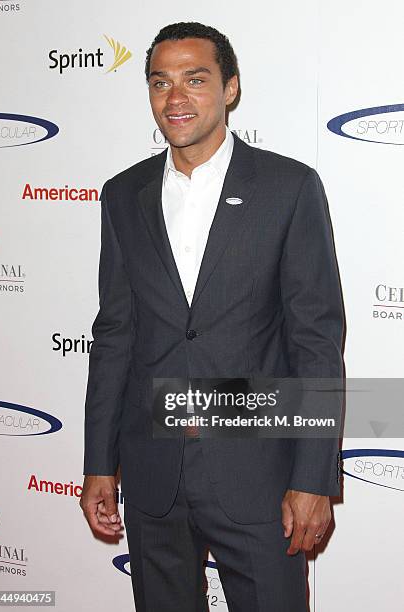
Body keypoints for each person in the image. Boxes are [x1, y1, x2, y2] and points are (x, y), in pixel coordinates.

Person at [80, 21, 345, 612]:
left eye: (195, 80)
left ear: (230, 89)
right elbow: (115, 333)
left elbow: (317, 341)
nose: (175, 99)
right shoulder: (123, 194)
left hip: (259, 476)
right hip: (154, 475)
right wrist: (99, 462)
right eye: (160, 83)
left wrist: (313, 476)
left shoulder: (289, 187)